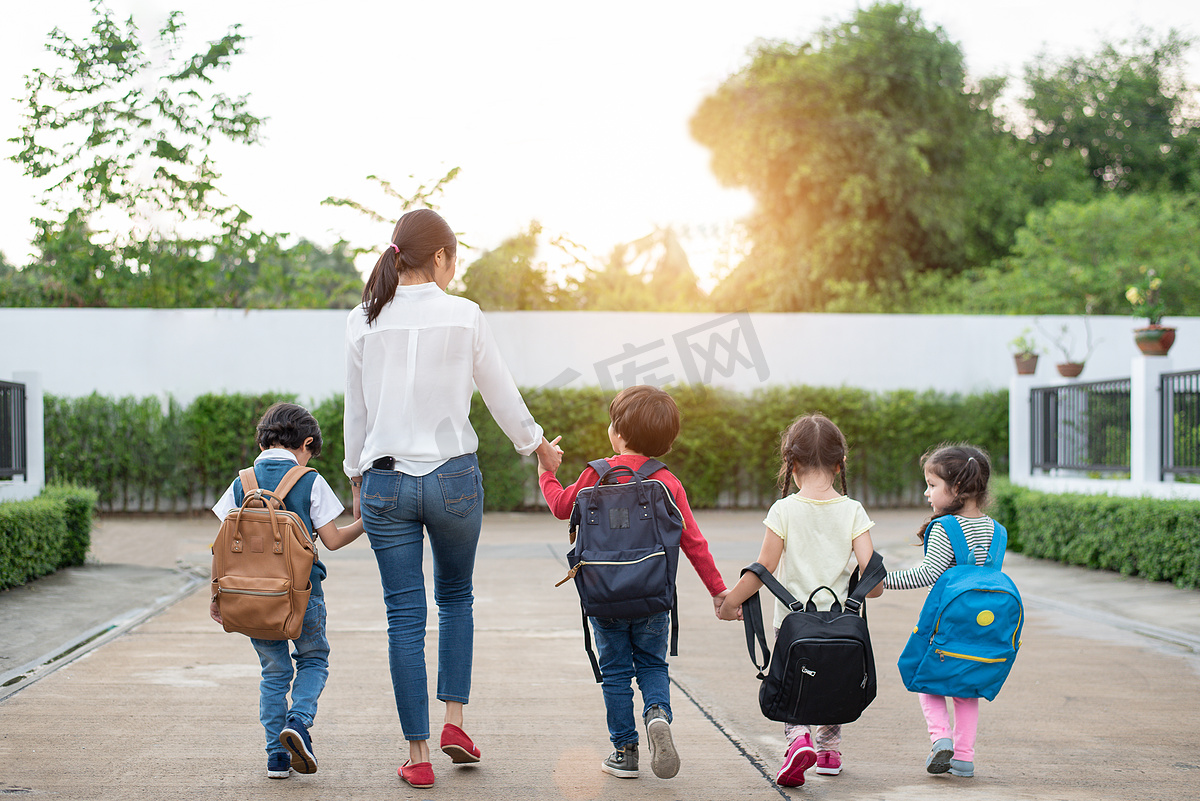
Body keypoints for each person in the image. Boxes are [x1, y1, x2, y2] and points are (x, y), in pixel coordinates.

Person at [343, 208, 562, 790]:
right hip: (454, 481)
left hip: (386, 481)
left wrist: (355, 476)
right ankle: (454, 722)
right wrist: (536, 446)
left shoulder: (363, 321)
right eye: (453, 258)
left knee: (403, 618)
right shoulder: (465, 316)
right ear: (439, 257)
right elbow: (500, 391)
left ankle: (416, 755)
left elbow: (355, 411)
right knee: (457, 597)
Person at [537, 384, 728, 781]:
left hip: (604, 597)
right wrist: (718, 590)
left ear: (618, 433)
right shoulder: (667, 481)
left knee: (617, 673)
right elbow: (693, 541)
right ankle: (657, 713)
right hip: (653, 597)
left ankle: (625, 751)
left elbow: (560, 507)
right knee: (653, 665)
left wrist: (547, 473)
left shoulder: (595, 474)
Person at [717, 412, 883, 787]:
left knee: (796, 680)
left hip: (792, 624)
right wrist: (863, 589)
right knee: (834, 678)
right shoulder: (854, 510)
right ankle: (828, 751)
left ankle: (797, 742)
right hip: (842, 622)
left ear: (791, 463)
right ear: (841, 462)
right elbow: (873, 581)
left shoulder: (784, 509)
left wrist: (730, 602)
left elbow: (764, 567)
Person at [209, 402, 363, 780]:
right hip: (300, 593)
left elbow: (222, 544)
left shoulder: (240, 482)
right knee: (313, 659)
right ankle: (299, 721)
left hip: (248, 598)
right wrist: (366, 523)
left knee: (274, 672)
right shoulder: (309, 479)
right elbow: (333, 540)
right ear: (306, 443)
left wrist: (216, 595)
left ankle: (276, 758)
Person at [884, 443, 997, 780]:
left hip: (945, 625)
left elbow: (926, 574)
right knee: (967, 688)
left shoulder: (946, 528)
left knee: (925, 678)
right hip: (982, 628)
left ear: (958, 488)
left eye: (932, 485)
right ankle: (964, 759)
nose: (926, 492)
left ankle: (941, 739)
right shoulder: (997, 530)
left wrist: (881, 581)